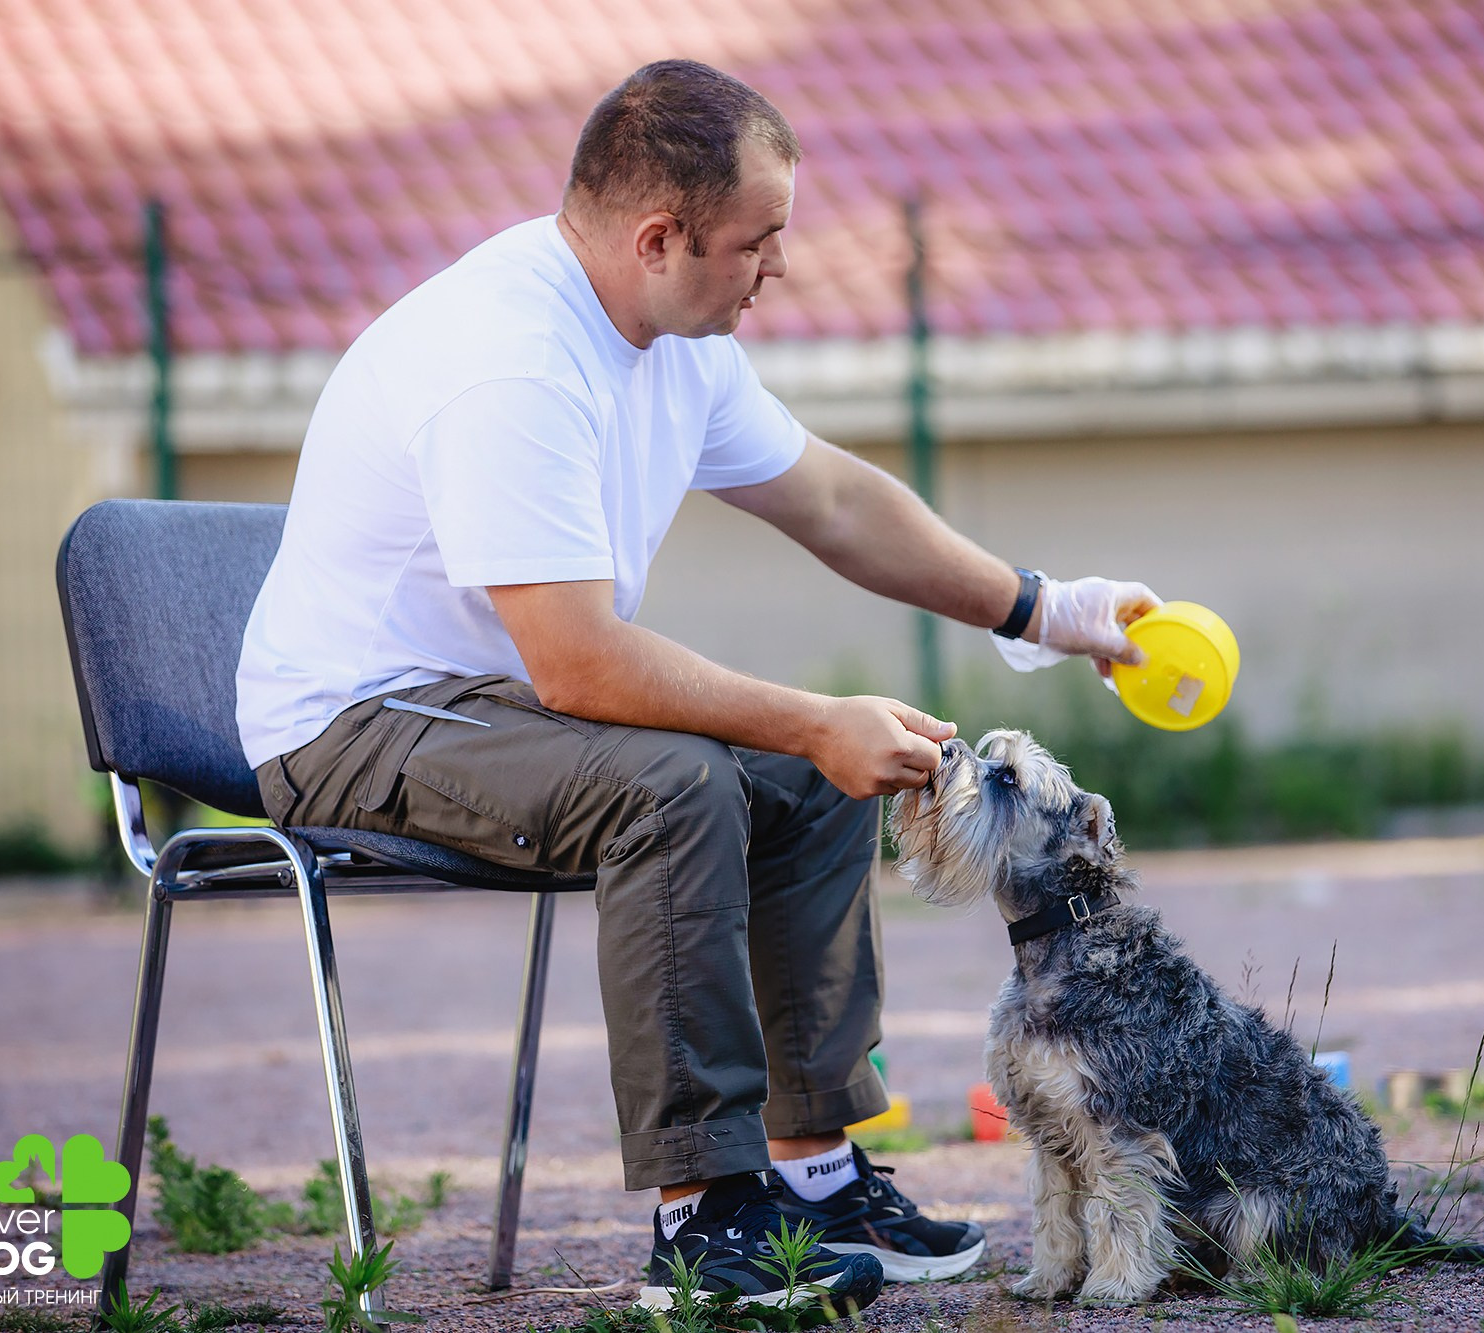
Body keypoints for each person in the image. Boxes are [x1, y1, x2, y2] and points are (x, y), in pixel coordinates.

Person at [234, 59, 1160, 1308]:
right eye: (758, 241)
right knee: (675, 782)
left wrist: (1044, 608)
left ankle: (814, 1172)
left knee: (824, 772)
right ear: (659, 237)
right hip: (356, 721)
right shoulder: (510, 359)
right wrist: (808, 717)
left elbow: (832, 499)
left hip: (500, 709)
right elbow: (575, 662)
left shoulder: (672, 334)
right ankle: (702, 1215)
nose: (776, 267)